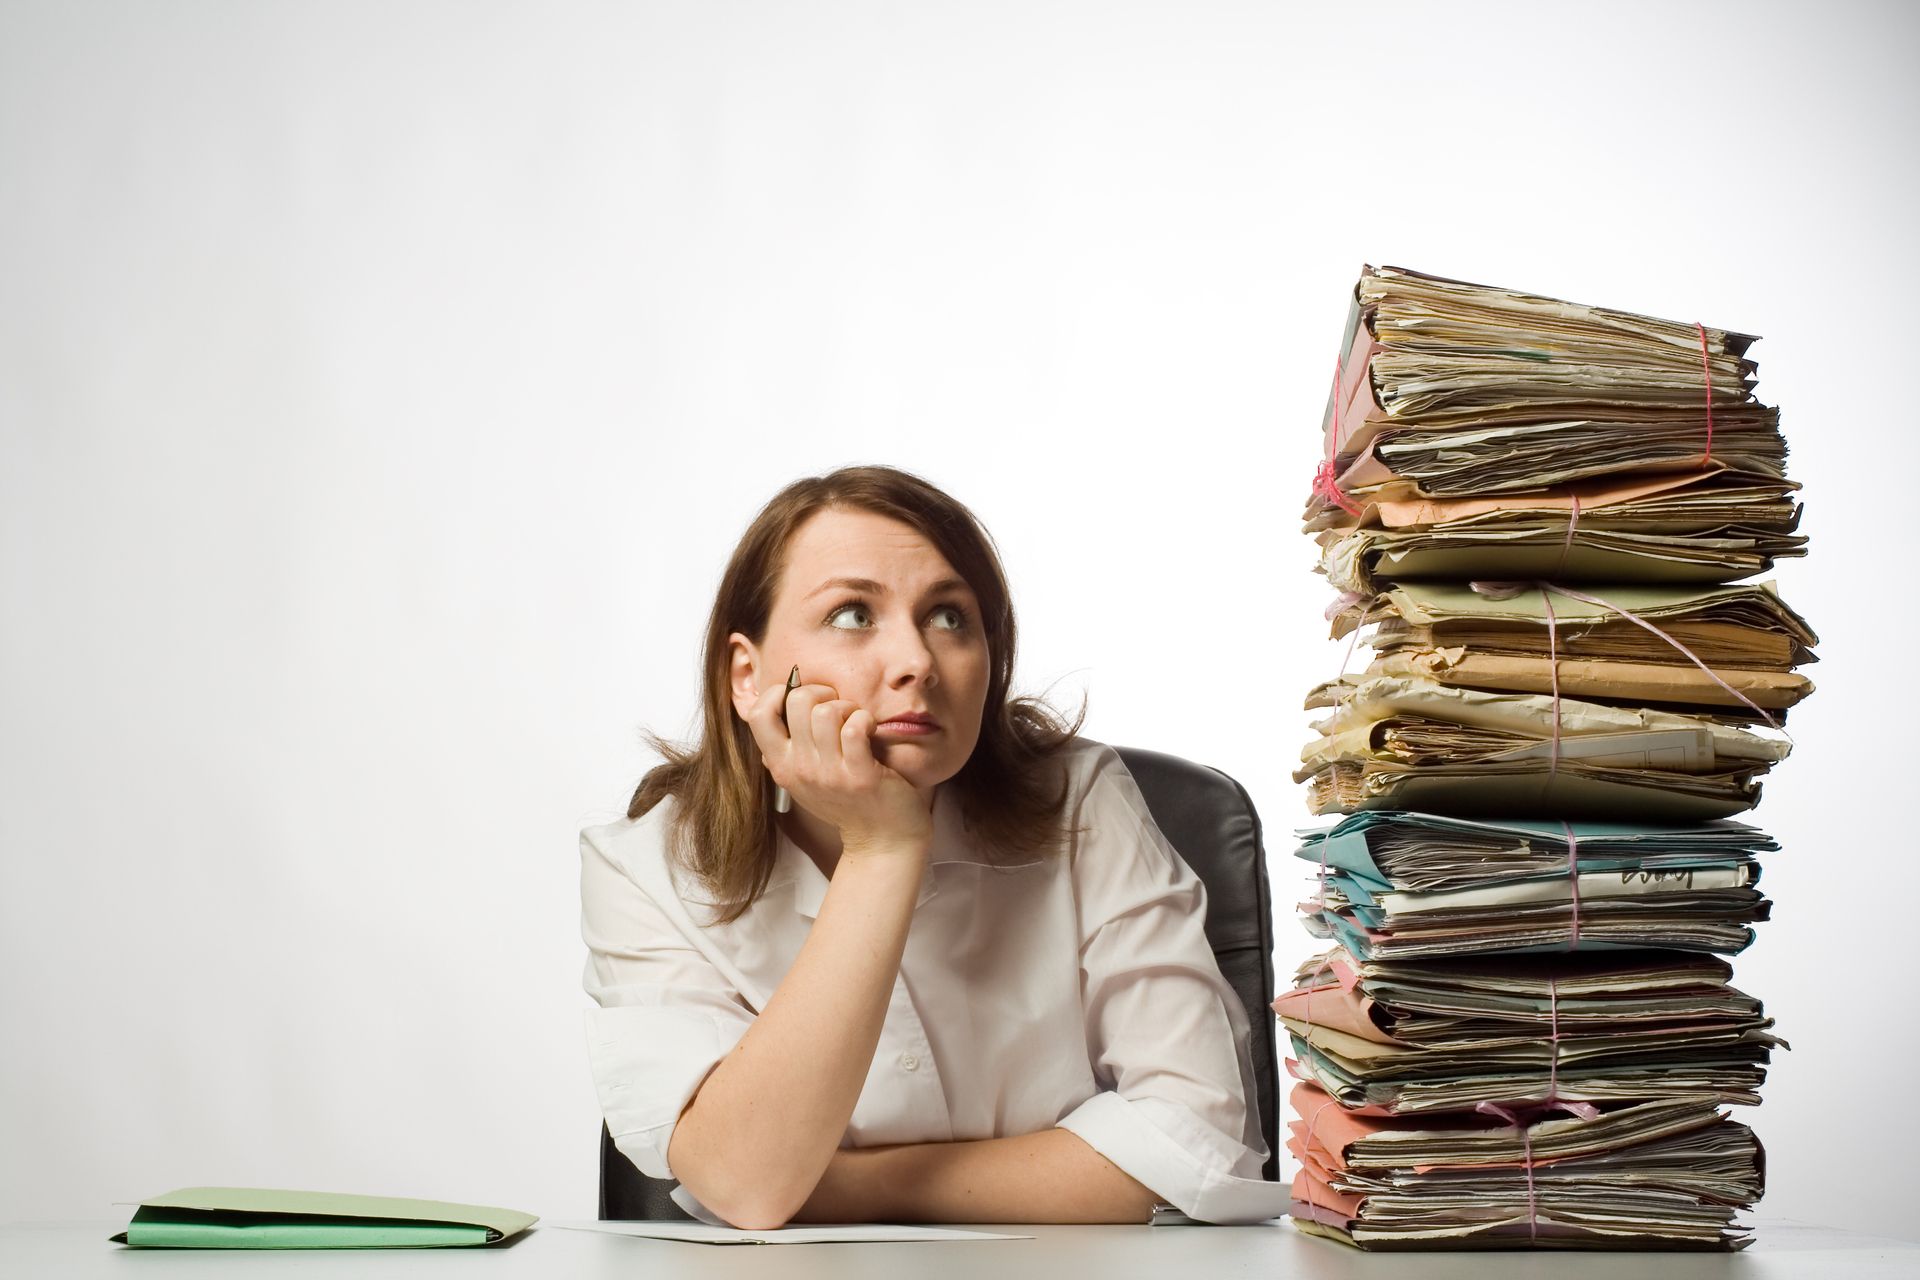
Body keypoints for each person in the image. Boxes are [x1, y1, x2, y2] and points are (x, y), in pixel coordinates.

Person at [580, 464, 1284, 1229]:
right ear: (748, 676)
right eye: (852, 614)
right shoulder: (642, 869)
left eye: (950, 617)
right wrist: (881, 849)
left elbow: (1206, 1144)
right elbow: (747, 1182)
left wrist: (840, 1186)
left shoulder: (1081, 799)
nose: (916, 660)